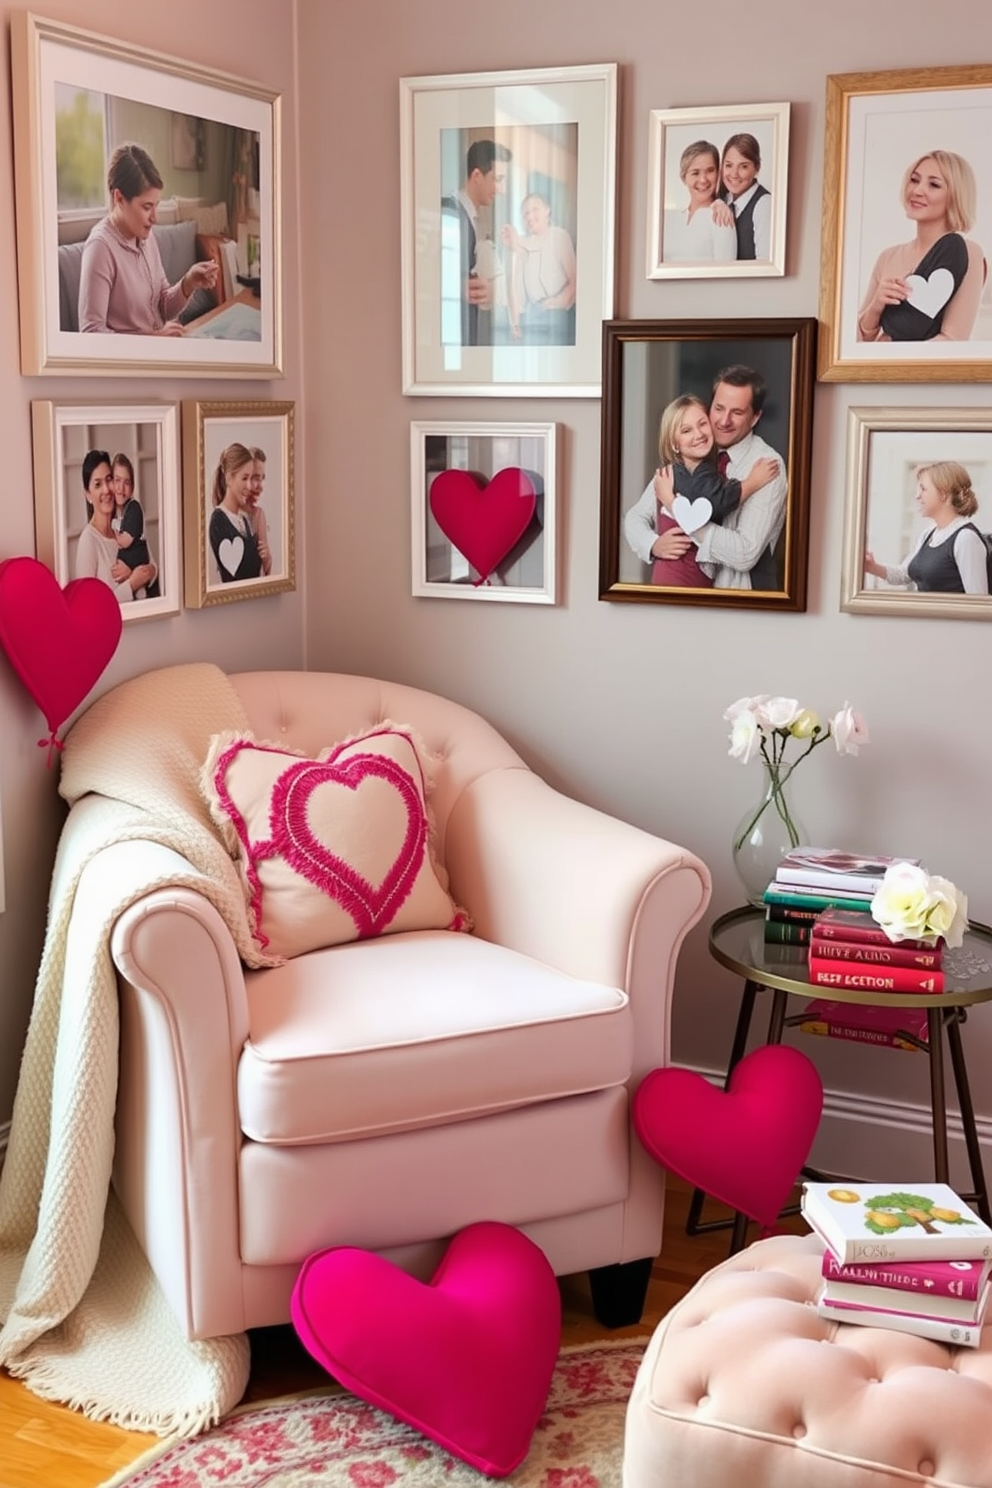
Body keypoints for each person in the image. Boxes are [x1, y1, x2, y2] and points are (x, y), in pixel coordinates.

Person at [624, 365, 788, 590]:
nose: (723, 421)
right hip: (682, 591)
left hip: (739, 603)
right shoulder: (692, 454)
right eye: (718, 408)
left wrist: (678, 511)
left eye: (737, 412)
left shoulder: (767, 465)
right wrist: (653, 544)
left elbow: (745, 554)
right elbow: (635, 518)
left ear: (755, 417)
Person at [78, 142, 219, 335]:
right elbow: (91, 333)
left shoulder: (146, 237)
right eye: (146, 207)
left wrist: (189, 282)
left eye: (156, 205)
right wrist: (154, 338)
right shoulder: (100, 248)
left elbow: (164, 307)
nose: (155, 218)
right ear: (119, 198)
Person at [648, 395, 779, 587]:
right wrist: (752, 482)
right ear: (675, 444)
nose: (698, 434)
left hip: (684, 576)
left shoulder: (694, 469)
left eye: (702, 424)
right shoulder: (688, 475)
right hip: (682, 578)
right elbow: (716, 502)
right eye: (686, 430)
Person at [857, 151, 987, 343]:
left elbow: (953, 340)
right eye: (914, 180)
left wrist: (890, 359)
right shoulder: (888, 256)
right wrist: (876, 306)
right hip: (877, 371)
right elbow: (858, 342)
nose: (917, 190)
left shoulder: (968, 252)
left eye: (934, 184)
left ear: (955, 195)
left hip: (915, 372)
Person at [864, 461, 989, 594]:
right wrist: (872, 567)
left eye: (923, 489)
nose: (917, 496)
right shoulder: (928, 534)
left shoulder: (966, 539)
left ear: (944, 494)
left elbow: (978, 603)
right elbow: (904, 574)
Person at [441, 139, 512, 347]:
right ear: (477, 176)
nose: (502, 189)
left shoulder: (465, 216)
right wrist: (457, 288)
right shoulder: (449, 214)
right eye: (497, 179)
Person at [74, 449, 157, 603]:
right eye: (98, 484)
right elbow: (88, 604)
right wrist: (132, 584)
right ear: (88, 495)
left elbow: (152, 567)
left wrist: (144, 572)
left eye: (109, 479)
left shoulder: (128, 524)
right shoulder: (89, 541)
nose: (106, 490)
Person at [501, 191, 576, 344]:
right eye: (525, 213)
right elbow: (515, 290)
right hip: (531, 319)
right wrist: (515, 323)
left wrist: (556, 303)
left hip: (558, 317)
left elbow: (575, 281)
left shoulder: (559, 236)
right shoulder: (523, 245)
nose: (529, 217)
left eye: (535, 209)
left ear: (547, 210)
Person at [663, 140, 737, 263]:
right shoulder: (671, 219)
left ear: (718, 174)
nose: (703, 179)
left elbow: (726, 275)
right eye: (695, 173)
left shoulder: (721, 217)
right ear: (684, 177)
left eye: (710, 171)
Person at [209, 443, 264, 583]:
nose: (249, 487)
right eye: (244, 478)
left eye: (251, 478)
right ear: (229, 478)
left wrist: (266, 558)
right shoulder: (218, 520)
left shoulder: (244, 520)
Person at [111, 452, 160, 599]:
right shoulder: (106, 525)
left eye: (126, 482)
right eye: (117, 480)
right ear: (111, 483)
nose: (120, 487)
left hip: (142, 593)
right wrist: (133, 578)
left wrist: (137, 573)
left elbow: (152, 565)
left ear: (132, 488)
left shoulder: (133, 512)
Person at [718, 133, 771, 261]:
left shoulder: (764, 204)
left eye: (744, 166)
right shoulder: (723, 200)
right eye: (729, 165)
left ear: (757, 168)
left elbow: (765, 264)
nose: (734, 174)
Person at [247, 446, 272, 576]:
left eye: (262, 478)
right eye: (256, 478)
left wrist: (267, 557)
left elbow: (266, 571)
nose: (261, 486)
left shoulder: (258, 515)